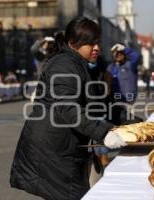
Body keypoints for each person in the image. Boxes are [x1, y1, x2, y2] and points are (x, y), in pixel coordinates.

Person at [10, 17, 127, 200]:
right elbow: (69, 109)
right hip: (51, 152)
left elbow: (97, 105)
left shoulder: (80, 65)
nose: (96, 47)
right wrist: (105, 133)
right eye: (90, 43)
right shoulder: (64, 65)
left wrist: (132, 121)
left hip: (62, 148)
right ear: (73, 44)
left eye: (97, 42)